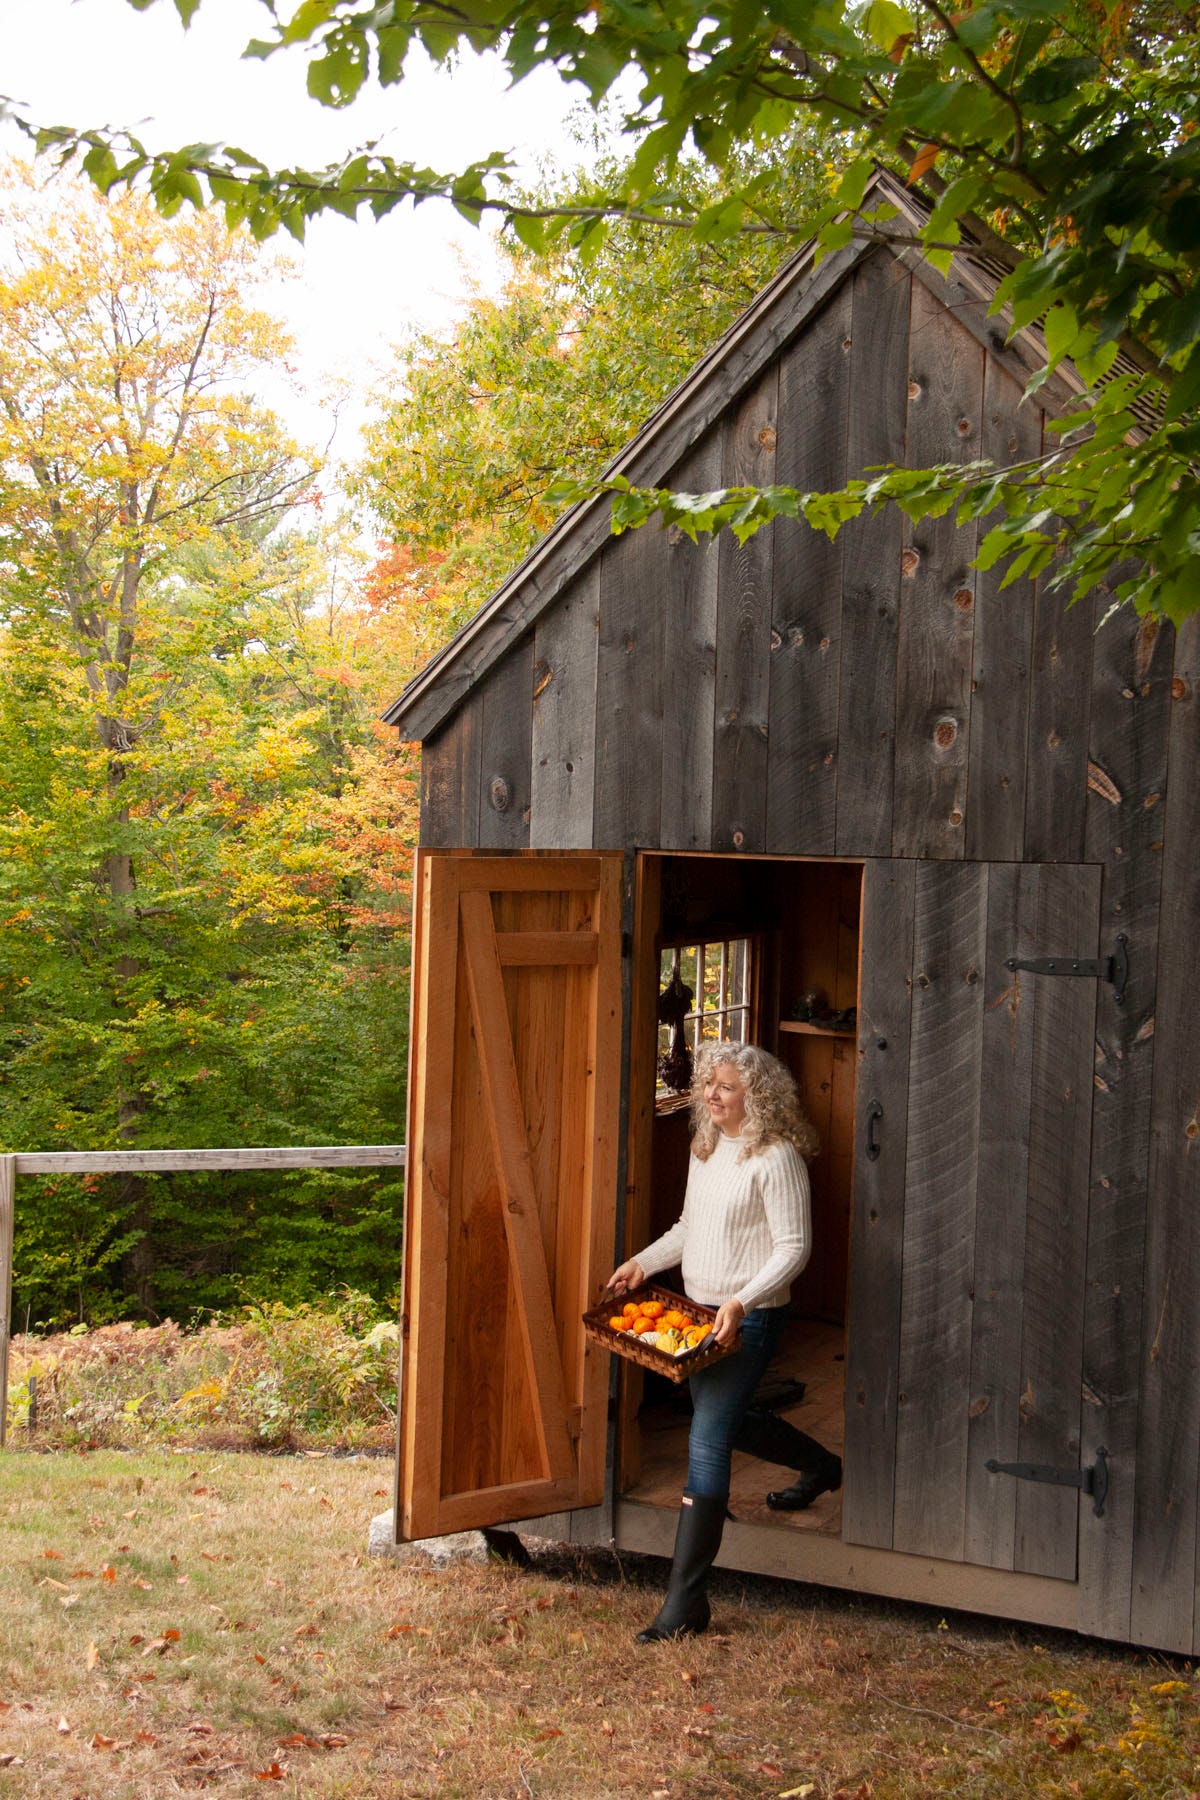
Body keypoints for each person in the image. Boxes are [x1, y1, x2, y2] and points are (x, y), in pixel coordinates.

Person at [609, 1040, 842, 1642]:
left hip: (751, 1316)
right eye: (708, 1083)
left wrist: (742, 1301)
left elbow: (794, 1249)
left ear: (756, 1096)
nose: (712, 1094)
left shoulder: (777, 1157)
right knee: (724, 1416)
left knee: (707, 1438)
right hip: (695, 1312)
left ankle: (685, 1602)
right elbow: (691, 1227)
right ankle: (821, 1465)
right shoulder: (706, 1147)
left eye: (727, 1086)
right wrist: (642, 1261)